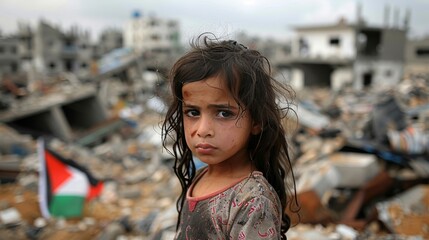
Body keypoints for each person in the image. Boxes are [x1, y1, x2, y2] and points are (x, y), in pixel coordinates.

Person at [162, 33, 297, 240]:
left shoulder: (252, 200)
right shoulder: (202, 177)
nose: (203, 129)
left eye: (224, 113)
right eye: (193, 112)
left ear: (256, 121)